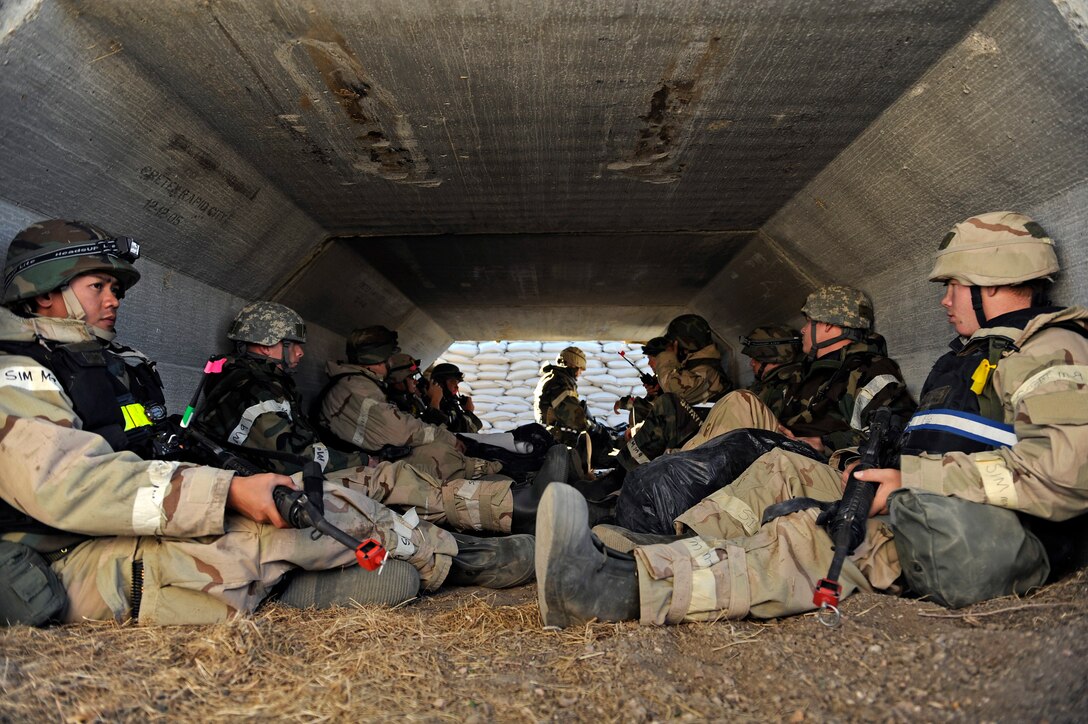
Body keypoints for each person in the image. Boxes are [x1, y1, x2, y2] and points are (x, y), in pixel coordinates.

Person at [536, 210, 1088, 627]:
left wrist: (909, 479)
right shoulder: (969, 357)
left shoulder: (1050, 351)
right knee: (785, 482)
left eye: (954, 286)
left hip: (978, 530)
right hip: (928, 504)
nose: (945, 301)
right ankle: (647, 544)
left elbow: (1064, 474)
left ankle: (621, 587)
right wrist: (883, 474)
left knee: (803, 539)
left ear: (993, 281)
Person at [0, 220, 528, 627]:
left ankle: (457, 548)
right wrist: (226, 491)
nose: (113, 299)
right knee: (273, 531)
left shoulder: (113, 363)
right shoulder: (17, 371)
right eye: (98, 286)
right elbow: (69, 483)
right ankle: (454, 560)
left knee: (314, 508)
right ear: (45, 292)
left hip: (122, 522)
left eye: (115, 288)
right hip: (58, 551)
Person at [192, 303, 559, 536]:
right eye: (293, 344)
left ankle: (511, 494)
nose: (301, 352)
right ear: (266, 343)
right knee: (394, 477)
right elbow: (296, 457)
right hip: (285, 488)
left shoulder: (261, 384)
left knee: (412, 469)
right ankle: (517, 508)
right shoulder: (250, 390)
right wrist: (360, 460)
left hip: (293, 480)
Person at [680, 286, 915, 455]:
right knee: (740, 403)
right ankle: (683, 466)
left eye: (810, 322)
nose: (803, 330)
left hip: (814, 463)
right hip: (785, 453)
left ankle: (685, 470)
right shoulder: (810, 371)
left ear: (829, 325)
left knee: (741, 401)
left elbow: (897, 429)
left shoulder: (869, 368)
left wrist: (824, 443)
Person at [316, 325, 502, 481]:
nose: (390, 362)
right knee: (440, 456)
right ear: (376, 359)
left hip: (368, 461)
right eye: (388, 357)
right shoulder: (358, 389)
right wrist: (447, 433)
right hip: (359, 467)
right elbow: (401, 431)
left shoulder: (359, 385)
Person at [740, 325, 804, 416]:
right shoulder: (771, 383)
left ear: (772, 359)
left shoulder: (785, 387)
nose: (752, 363)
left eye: (756, 359)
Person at [423, 362, 483, 433]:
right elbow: (459, 431)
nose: (456, 386)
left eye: (457, 383)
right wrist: (469, 412)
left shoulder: (450, 403)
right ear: (440, 383)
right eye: (452, 381)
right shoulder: (428, 403)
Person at [386, 352, 428, 419]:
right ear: (399, 378)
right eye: (412, 377)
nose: (416, 382)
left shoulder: (410, 398)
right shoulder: (390, 403)